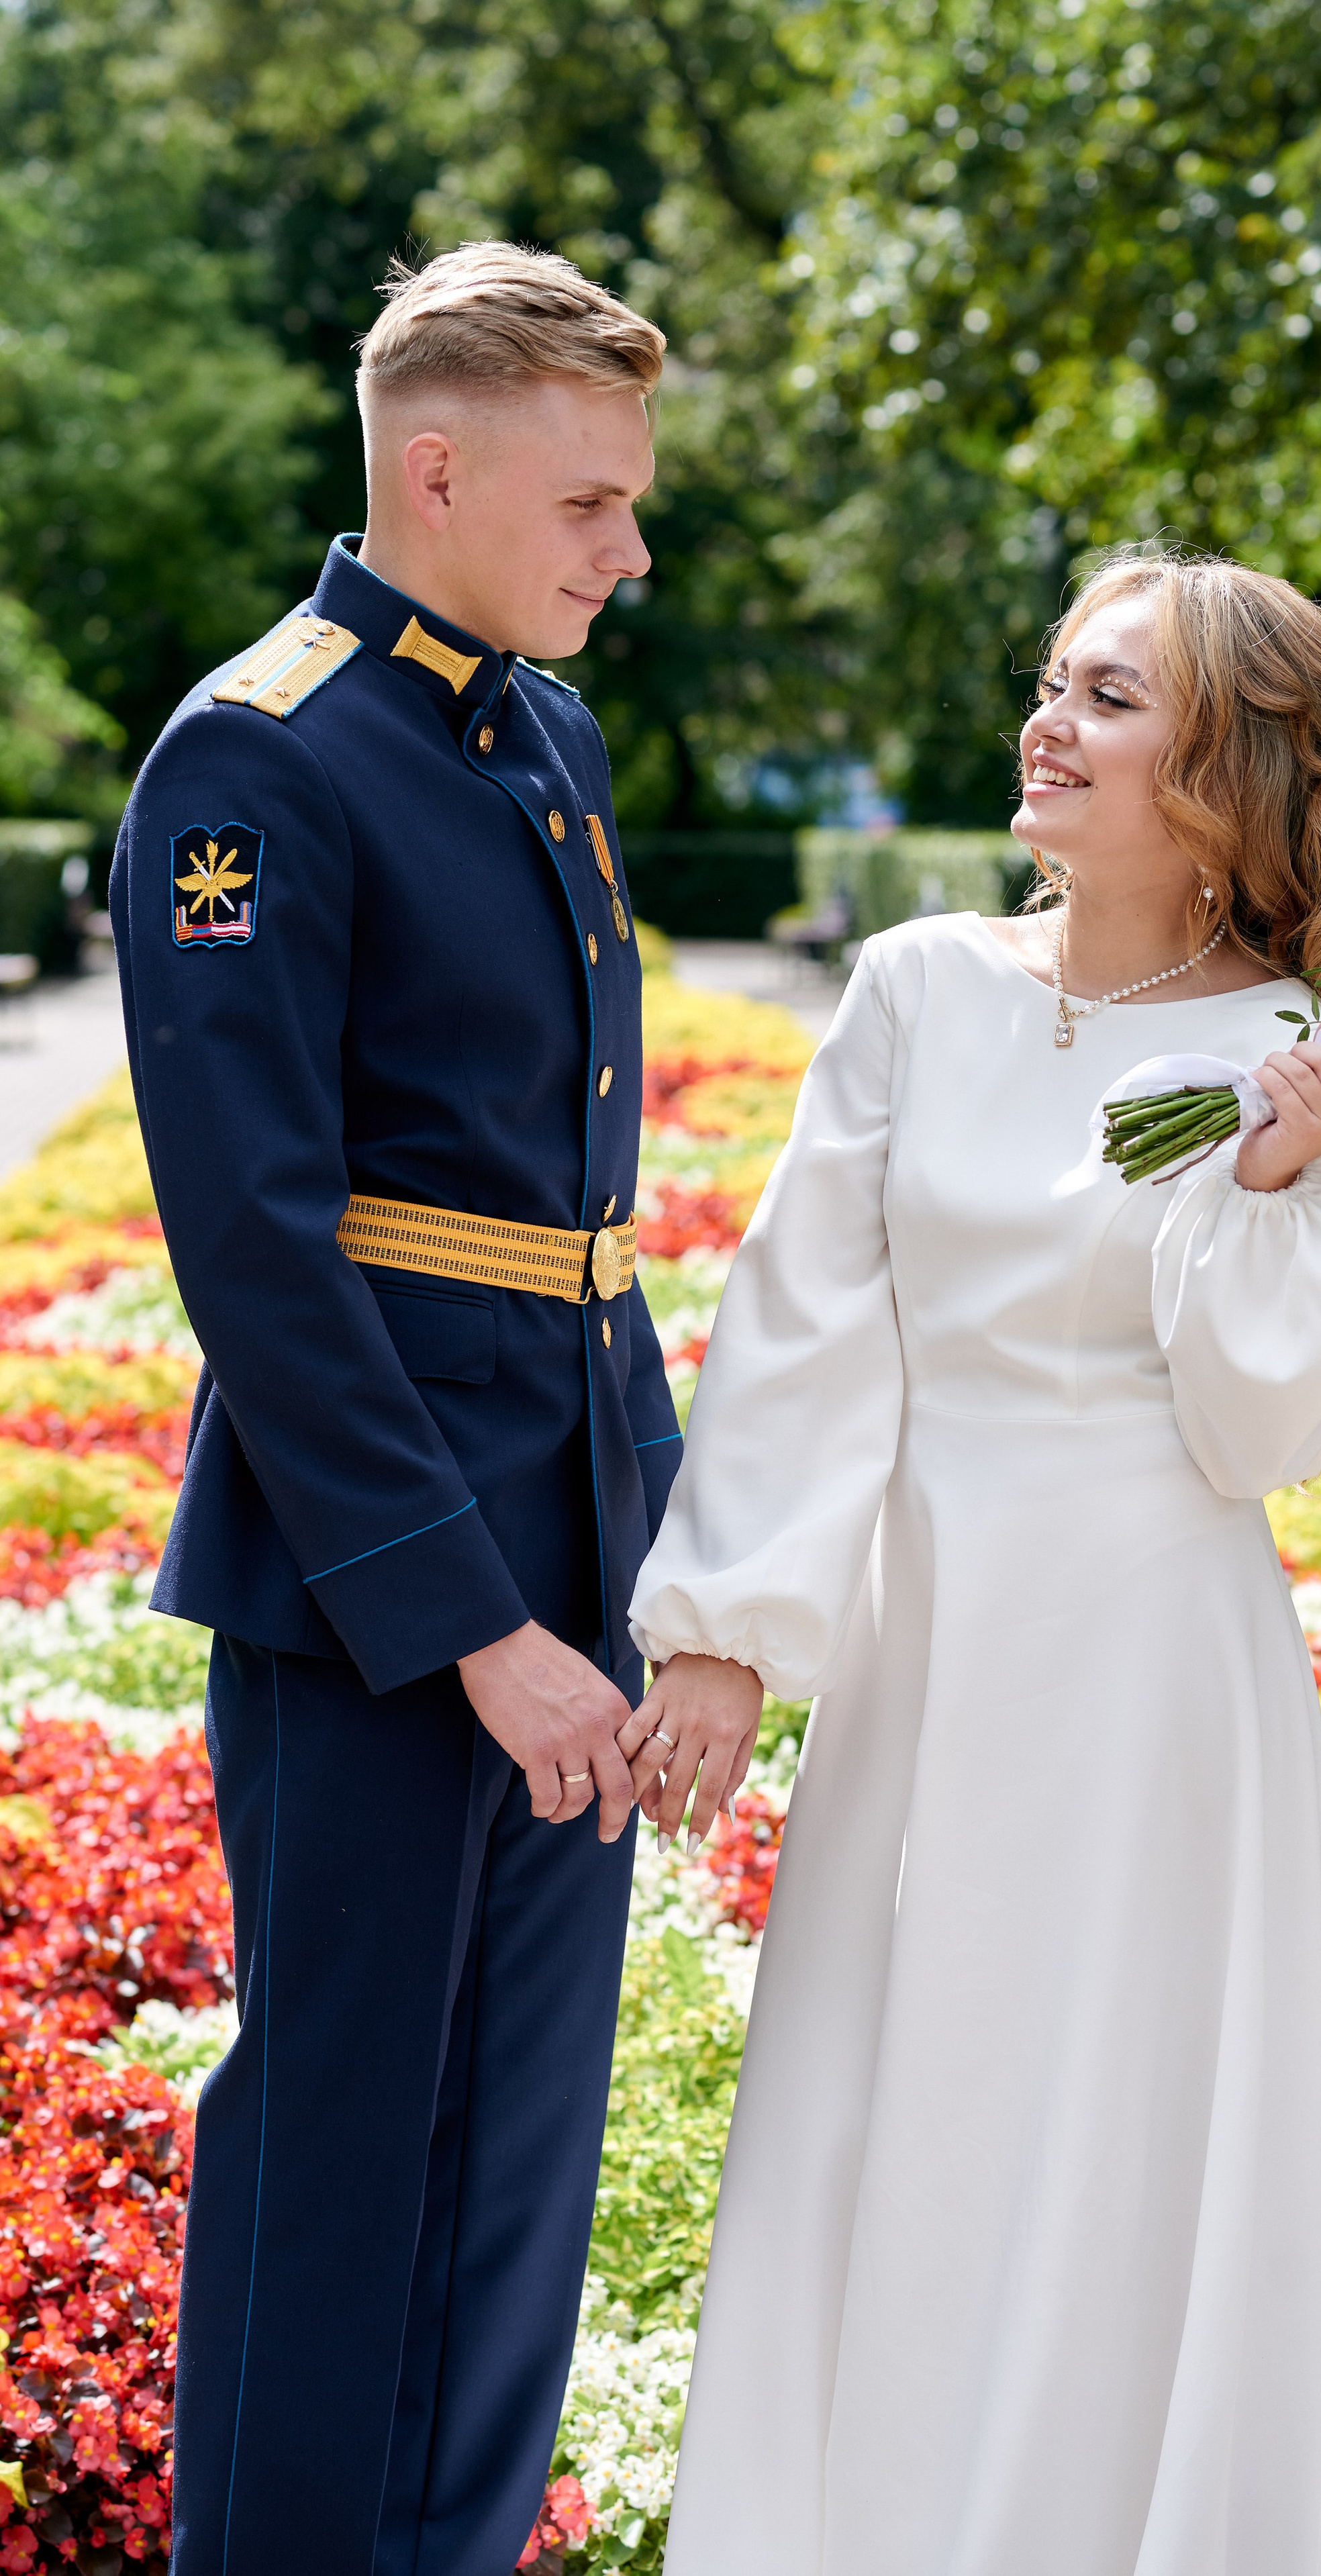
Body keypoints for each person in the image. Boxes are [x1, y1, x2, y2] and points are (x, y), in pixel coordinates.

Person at [623, 548, 1321, 2575]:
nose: (1045, 724)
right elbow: (809, 1314)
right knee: (904, 2115)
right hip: (927, 1651)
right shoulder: (916, 988)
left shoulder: (1309, 1056)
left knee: (1131, 2138)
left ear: (1217, 770)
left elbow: (1256, 1433)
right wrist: (726, 1632)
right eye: (1053, 683)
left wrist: (1276, 1177)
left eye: (1106, 697)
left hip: (1159, 1677)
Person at [109, 242, 681, 2576]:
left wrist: (640, 1577)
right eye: (592, 502)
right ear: (433, 468)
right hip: (384, 1574)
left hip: (580, 1522)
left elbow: (569, 1215)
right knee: (345, 2139)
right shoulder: (259, 753)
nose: (626, 553)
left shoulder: (541, 730)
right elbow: (260, 1248)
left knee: (527, 2149)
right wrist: (472, 1619)